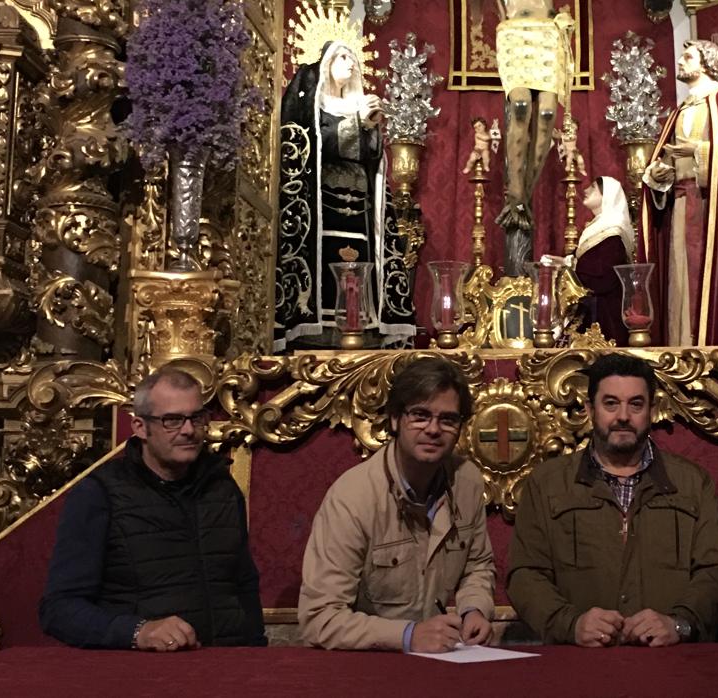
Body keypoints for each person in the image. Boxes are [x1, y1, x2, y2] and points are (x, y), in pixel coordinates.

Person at [508, 353, 718, 646]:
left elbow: (716, 572)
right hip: (580, 663)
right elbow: (525, 574)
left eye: (636, 404)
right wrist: (571, 624)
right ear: (590, 409)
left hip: (671, 663)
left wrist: (678, 623)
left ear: (652, 410)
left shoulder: (692, 483)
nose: (623, 416)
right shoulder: (547, 483)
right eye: (611, 403)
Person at [39, 368, 266, 650]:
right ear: (139, 427)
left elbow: (243, 585)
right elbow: (59, 609)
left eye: (196, 417)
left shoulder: (221, 488)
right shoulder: (99, 494)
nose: (188, 430)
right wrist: (138, 632)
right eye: (172, 420)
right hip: (144, 672)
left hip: (227, 666)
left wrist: (257, 656)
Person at [299, 357, 494, 652]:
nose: (433, 429)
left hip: (441, 657)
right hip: (369, 662)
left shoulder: (467, 481)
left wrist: (474, 609)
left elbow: (477, 565)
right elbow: (319, 619)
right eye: (419, 415)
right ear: (394, 419)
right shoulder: (353, 497)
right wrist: (408, 635)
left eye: (448, 420)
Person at [275, 29, 416, 350]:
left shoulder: (357, 104)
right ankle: (320, 329)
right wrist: (357, 123)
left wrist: (370, 129)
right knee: (324, 261)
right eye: (342, 57)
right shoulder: (313, 105)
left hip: (359, 207)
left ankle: (361, 328)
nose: (351, 64)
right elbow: (315, 142)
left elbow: (370, 157)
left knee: (360, 263)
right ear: (325, 65)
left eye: (353, 59)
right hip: (324, 206)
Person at [640, 40, 718, 346]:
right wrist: (660, 175)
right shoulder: (680, 110)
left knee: (702, 278)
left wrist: (698, 152)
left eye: (688, 57)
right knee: (679, 280)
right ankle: (680, 344)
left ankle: (707, 344)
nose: (680, 62)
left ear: (707, 63)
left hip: (712, 210)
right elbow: (665, 160)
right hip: (680, 205)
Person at [473, 0, 574, 275]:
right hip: (515, 32)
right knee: (519, 107)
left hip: (547, 33)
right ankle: (516, 193)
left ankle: (522, 195)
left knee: (548, 112)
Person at [575, 176, 635, 345]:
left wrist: (574, 268)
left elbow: (606, 274)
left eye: (593, 187)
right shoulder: (598, 226)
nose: (586, 190)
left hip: (605, 310)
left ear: (607, 195)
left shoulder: (613, 230)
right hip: (592, 306)